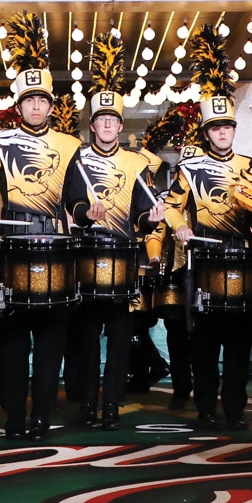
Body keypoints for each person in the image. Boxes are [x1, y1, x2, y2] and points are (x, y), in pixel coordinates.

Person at [0, 15, 83, 439]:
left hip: (56, 247)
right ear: (19, 105)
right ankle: (14, 416)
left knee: (51, 345)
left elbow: (78, 196)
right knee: (14, 342)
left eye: (42, 100)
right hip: (12, 245)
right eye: (29, 100)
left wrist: (89, 211)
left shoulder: (71, 146)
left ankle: (42, 416)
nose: (36, 106)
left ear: (52, 105)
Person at [167, 34, 252, 429]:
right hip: (204, 258)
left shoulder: (251, 164)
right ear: (206, 133)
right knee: (205, 343)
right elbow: (174, 207)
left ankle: (236, 409)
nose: (223, 133)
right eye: (216, 128)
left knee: (239, 342)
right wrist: (179, 228)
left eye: (227, 127)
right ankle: (206, 407)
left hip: (242, 257)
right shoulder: (188, 168)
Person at [66, 38, 161, 430]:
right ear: (93, 125)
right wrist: (86, 212)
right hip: (86, 256)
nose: (107, 125)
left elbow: (142, 214)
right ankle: (88, 402)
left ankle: (112, 405)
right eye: (101, 120)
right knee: (86, 337)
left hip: (124, 257)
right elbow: (70, 201)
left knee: (121, 338)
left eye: (113, 121)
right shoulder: (76, 159)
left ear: (121, 126)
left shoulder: (138, 163)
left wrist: (152, 219)